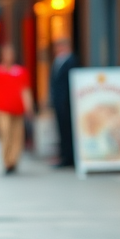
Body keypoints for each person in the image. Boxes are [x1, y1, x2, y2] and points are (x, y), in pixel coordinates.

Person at [0, 43, 33, 174]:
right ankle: (7, 160)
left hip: (17, 108)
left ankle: (13, 160)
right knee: (5, 133)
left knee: (17, 136)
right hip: (2, 108)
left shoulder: (21, 71)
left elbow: (25, 90)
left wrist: (29, 107)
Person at [50, 37, 78, 167]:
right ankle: (64, 155)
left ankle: (69, 157)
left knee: (68, 130)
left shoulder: (72, 61)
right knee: (61, 130)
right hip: (59, 102)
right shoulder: (57, 61)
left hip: (67, 103)